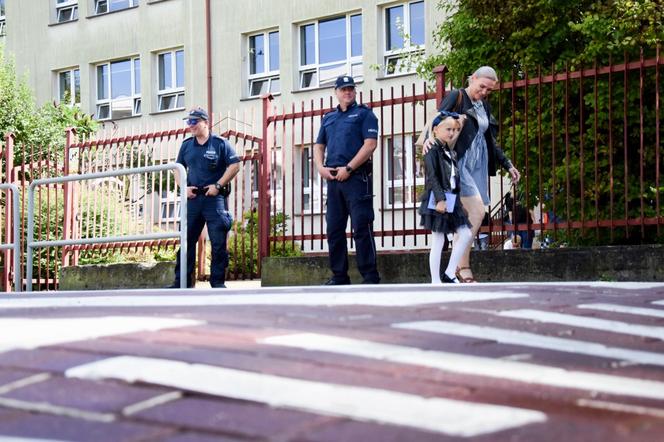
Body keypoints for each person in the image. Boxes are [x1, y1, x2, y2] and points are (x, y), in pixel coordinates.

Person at [426, 66, 521, 282]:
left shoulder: (483, 106)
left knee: (470, 217)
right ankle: (461, 267)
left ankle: (455, 268)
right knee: (477, 212)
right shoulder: (456, 96)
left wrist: (507, 164)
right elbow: (438, 121)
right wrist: (431, 140)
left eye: (489, 89)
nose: (485, 92)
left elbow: (490, 141)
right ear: (473, 79)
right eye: (482, 87)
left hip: (478, 165)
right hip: (459, 163)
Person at [314, 75, 380, 285]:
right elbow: (319, 146)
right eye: (343, 89)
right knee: (334, 230)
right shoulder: (329, 118)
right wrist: (320, 167)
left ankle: (370, 276)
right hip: (333, 181)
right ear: (336, 92)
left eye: (351, 88)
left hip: (356, 179)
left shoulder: (365, 115)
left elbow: (370, 145)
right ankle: (339, 276)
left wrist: (349, 168)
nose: (348, 92)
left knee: (361, 228)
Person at [168, 107, 241, 288]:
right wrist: (183, 188)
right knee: (186, 242)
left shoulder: (220, 143)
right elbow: (177, 169)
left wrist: (218, 186)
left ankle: (217, 283)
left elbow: (235, 165)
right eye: (188, 122)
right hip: (192, 200)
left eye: (194, 122)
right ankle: (182, 283)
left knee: (217, 243)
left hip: (213, 199)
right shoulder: (186, 145)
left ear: (205, 123)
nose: (190, 125)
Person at [419, 111, 473, 283]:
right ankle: (435, 280)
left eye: (454, 130)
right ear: (435, 130)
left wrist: (457, 200)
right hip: (438, 197)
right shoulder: (431, 149)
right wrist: (440, 199)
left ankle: (450, 273)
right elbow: (433, 176)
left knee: (465, 234)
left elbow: (452, 177)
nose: (451, 133)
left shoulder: (446, 149)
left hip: (451, 198)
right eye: (448, 129)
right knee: (438, 238)